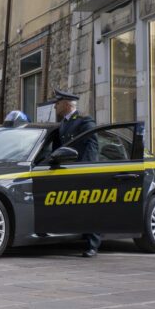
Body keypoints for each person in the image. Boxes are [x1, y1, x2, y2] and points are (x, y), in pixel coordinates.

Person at [52, 88, 100, 257]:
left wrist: (85, 169)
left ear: (65, 104)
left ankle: (93, 244)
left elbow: (92, 145)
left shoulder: (84, 120)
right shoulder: (64, 123)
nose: (54, 107)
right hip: (68, 171)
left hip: (82, 170)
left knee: (88, 207)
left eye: (57, 103)